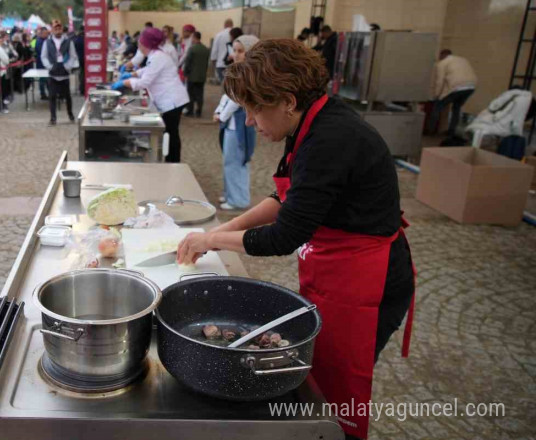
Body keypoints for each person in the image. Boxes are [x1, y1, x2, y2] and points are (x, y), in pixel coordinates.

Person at [177, 39, 415, 440]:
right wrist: (219, 232)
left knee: (335, 387)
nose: (250, 121)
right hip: (335, 266)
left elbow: (285, 235)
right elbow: (283, 199)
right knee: (316, 371)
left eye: (255, 109)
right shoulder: (310, 123)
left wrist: (214, 242)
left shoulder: (331, 138)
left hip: (367, 280)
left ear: (287, 100)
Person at [113, 27, 189, 163]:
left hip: (172, 101)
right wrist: (132, 74)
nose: (139, 44)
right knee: (170, 133)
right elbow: (148, 70)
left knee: (171, 134)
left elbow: (144, 82)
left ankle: (173, 163)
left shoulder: (158, 57)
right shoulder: (155, 55)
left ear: (146, 43)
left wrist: (124, 82)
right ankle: (171, 161)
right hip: (171, 99)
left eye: (140, 42)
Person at [214, 35, 259, 211]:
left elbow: (236, 98)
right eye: (235, 50)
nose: (236, 54)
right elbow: (227, 95)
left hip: (240, 127)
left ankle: (238, 199)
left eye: (241, 51)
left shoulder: (249, 74)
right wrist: (219, 111)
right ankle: (230, 194)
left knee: (237, 162)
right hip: (231, 126)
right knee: (229, 161)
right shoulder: (240, 71)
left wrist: (222, 116)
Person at [429, 49, 477, 136]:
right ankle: (451, 131)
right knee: (456, 108)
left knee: (437, 107)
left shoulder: (442, 63)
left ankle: (431, 131)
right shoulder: (463, 59)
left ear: (442, 55)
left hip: (458, 87)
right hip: (471, 86)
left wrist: (436, 95)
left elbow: (440, 81)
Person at [41, 20, 77, 126]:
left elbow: (73, 55)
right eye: (55, 28)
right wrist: (49, 66)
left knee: (67, 96)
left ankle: (70, 115)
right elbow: (43, 56)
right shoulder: (47, 42)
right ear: (52, 30)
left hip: (64, 72)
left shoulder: (68, 41)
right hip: (53, 73)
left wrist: (67, 66)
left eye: (59, 28)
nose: (57, 30)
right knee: (52, 96)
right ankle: (53, 118)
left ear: (62, 29)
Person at [183, 31, 209, 117]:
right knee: (200, 94)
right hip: (201, 76)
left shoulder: (192, 49)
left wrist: (185, 72)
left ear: (194, 37)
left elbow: (188, 62)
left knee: (190, 94)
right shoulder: (205, 49)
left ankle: (190, 110)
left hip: (192, 75)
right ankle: (199, 111)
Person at [34, 27, 50, 100]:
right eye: (45, 33)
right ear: (42, 33)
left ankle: (48, 92)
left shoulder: (45, 40)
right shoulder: (39, 41)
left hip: (45, 63)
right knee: (42, 80)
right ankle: (42, 94)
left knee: (47, 79)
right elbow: (42, 53)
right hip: (41, 64)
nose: (47, 35)